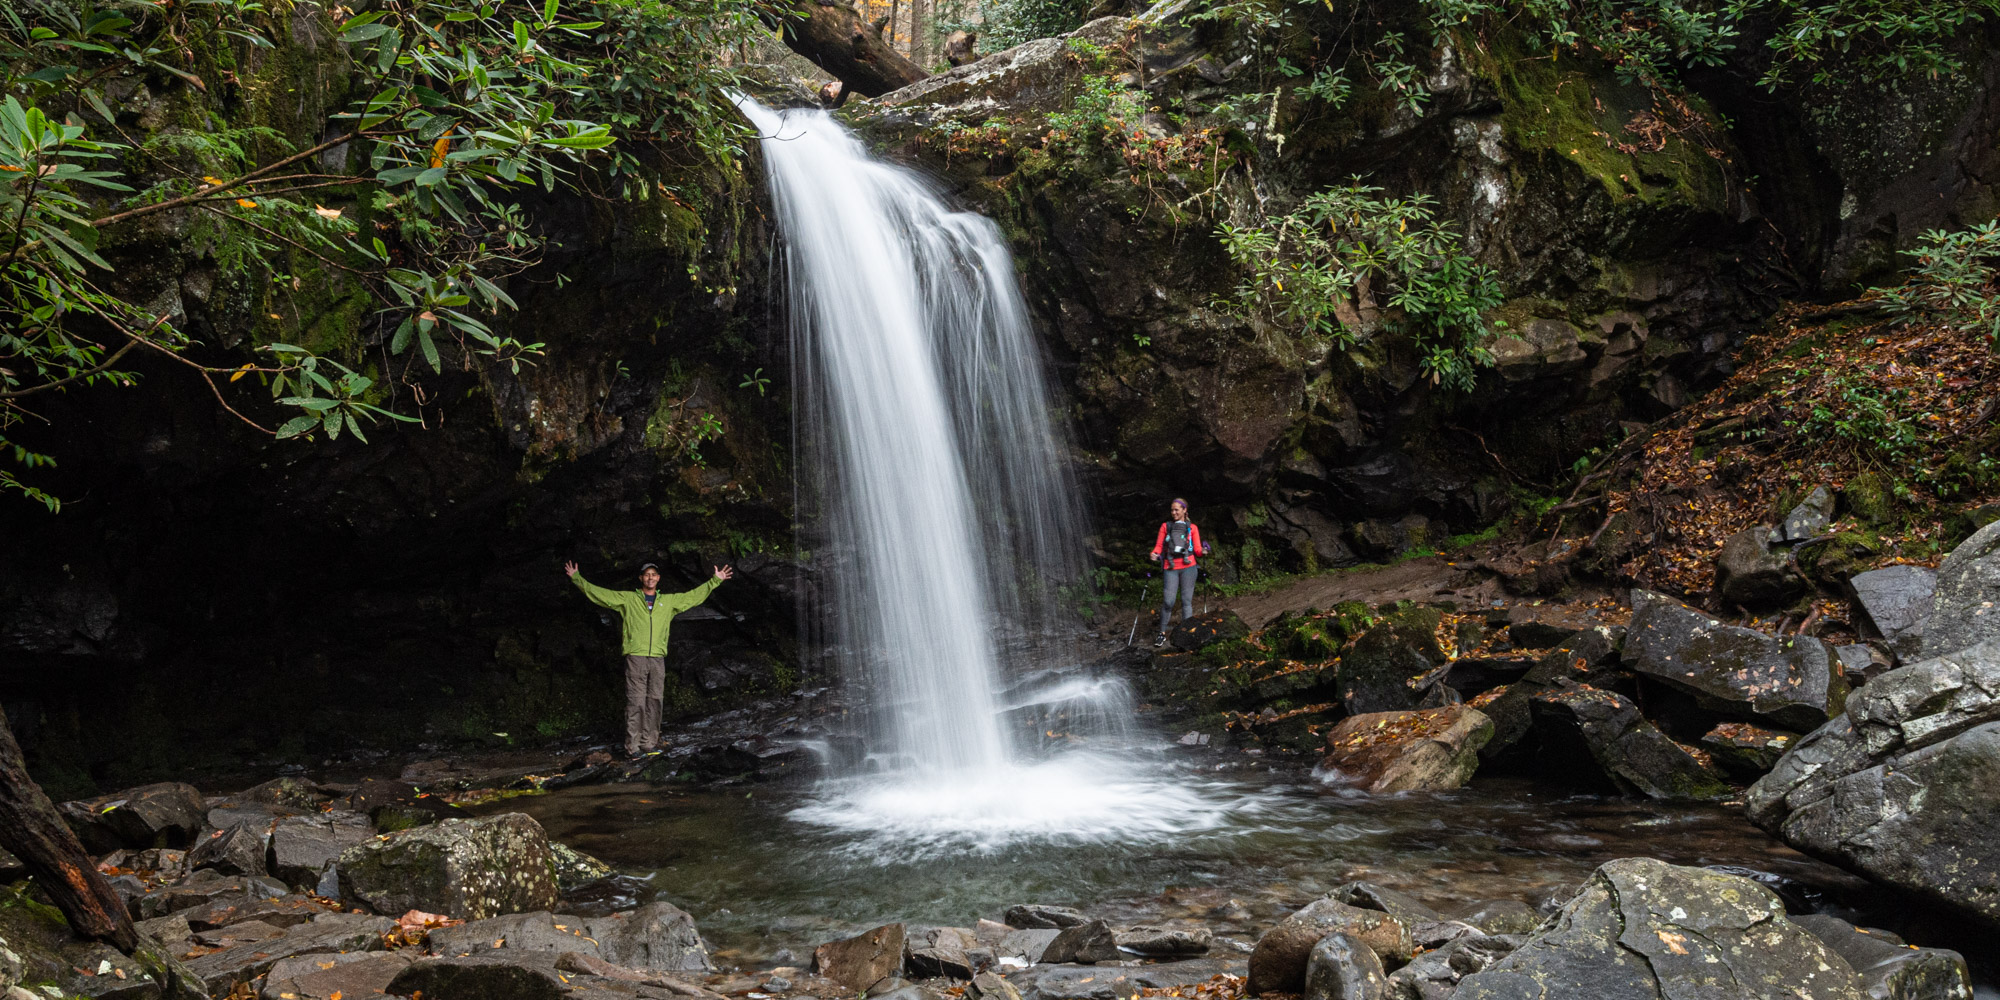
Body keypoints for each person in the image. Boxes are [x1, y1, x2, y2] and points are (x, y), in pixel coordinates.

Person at [564, 559, 734, 758]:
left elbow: (692, 597)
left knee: (654, 701)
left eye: (654, 574)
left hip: (657, 658)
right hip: (636, 656)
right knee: (636, 701)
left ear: (658, 579)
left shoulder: (668, 602)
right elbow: (602, 595)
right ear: (641, 578)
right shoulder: (628, 599)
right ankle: (632, 747)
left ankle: (649, 743)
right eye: (647, 574)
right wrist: (577, 579)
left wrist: (715, 581)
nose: (650, 577)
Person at [1149, 498, 1209, 646]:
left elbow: (1196, 550)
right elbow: (1159, 546)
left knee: (1186, 601)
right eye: (1172, 510)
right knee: (1168, 602)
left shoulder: (1192, 528)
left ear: (1184, 511)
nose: (1174, 512)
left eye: (1177, 510)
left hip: (1189, 567)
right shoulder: (1166, 527)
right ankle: (1161, 633)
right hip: (1170, 568)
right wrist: (1154, 554)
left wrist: (1203, 551)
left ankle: (1185, 633)